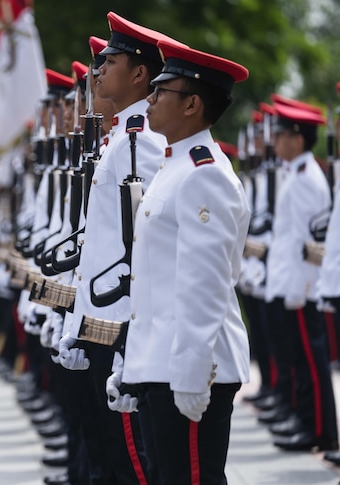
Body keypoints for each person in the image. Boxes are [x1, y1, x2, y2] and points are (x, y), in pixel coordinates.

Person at [109, 39, 251, 483]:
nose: (148, 100)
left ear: (192, 104)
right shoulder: (176, 167)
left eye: (160, 92)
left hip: (189, 370)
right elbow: (154, 285)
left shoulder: (204, 174)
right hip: (162, 365)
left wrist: (192, 374)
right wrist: (134, 366)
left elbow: (203, 287)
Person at [56, 11, 168, 484]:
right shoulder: (120, 138)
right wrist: (76, 322)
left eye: (111, 61)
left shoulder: (140, 141)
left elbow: (140, 251)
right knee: (106, 455)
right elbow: (97, 246)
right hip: (102, 321)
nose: (98, 71)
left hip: (121, 326)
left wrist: (128, 348)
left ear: (140, 74)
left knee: (131, 461)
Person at [264, 97, 338, 452]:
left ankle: (320, 431)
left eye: (280, 134)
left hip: (304, 288)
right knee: (297, 361)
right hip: (289, 283)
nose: (275, 141)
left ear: (297, 137)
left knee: (312, 364)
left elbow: (313, 244)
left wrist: (304, 287)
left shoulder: (309, 179)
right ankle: (304, 421)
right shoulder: (296, 173)